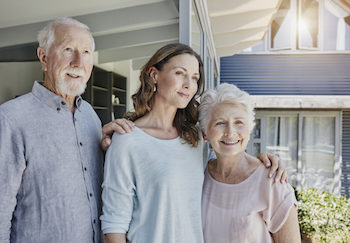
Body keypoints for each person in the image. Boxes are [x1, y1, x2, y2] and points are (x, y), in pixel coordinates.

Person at [100, 43, 288, 243]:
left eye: (195, 78)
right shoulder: (126, 140)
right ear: (154, 75)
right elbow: (114, 222)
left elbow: (228, 155)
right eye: (180, 73)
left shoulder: (195, 138)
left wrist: (263, 161)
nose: (189, 84)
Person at [0, 17, 108, 243]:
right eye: (68, 49)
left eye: (86, 52)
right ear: (43, 57)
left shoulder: (90, 116)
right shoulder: (10, 118)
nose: (78, 62)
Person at [199, 83, 301, 243]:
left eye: (239, 122)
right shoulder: (198, 177)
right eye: (220, 123)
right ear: (205, 133)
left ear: (249, 129)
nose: (230, 132)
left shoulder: (272, 180)